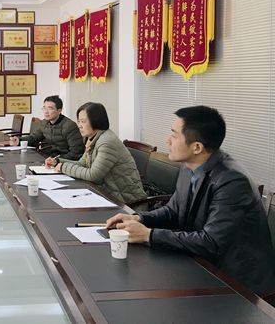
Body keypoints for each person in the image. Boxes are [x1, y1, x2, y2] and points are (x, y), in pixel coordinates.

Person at [106, 105, 275, 295]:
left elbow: (211, 243)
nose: (168, 140)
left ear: (197, 147)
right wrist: (139, 218)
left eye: (174, 135)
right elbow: (174, 211)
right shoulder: (190, 166)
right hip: (200, 264)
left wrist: (148, 235)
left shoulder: (232, 182)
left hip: (236, 283)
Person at [46, 102, 146, 204]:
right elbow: (82, 164)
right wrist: (57, 162)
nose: (79, 126)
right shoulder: (93, 138)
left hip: (125, 201)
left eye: (83, 121)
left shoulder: (107, 142)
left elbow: (93, 175)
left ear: (96, 121)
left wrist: (63, 167)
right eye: (79, 121)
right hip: (106, 193)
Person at [9, 95, 84, 160]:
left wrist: (56, 160)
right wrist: (19, 140)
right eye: (44, 108)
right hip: (48, 159)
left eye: (50, 108)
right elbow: (34, 138)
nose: (46, 112)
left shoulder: (69, 126)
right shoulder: (44, 123)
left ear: (59, 111)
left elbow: (76, 153)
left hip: (63, 162)